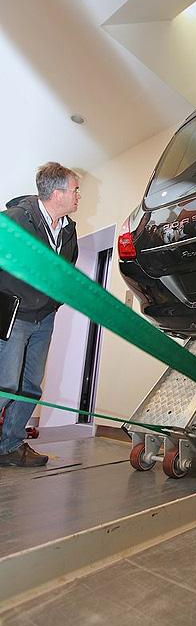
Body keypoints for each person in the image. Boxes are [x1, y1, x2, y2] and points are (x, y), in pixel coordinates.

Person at [0, 162, 80, 467]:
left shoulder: (69, 231)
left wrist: (54, 306)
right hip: (14, 315)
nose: (78, 196)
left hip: (44, 319)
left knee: (31, 386)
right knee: (4, 383)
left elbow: (65, 273)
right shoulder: (16, 220)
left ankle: (9, 445)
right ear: (57, 193)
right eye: (75, 189)